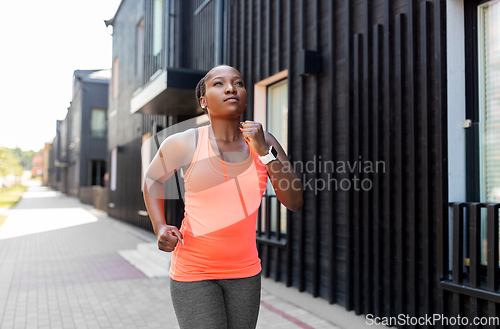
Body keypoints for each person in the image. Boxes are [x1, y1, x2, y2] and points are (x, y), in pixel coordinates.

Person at [143, 64, 303, 329]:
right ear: (203, 101)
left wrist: (264, 151)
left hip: (245, 272)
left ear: (246, 96)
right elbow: (152, 180)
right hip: (194, 270)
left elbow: (295, 201)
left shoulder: (266, 143)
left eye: (238, 83)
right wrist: (159, 226)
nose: (231, 87)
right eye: (219, 83)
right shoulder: (184, 143)